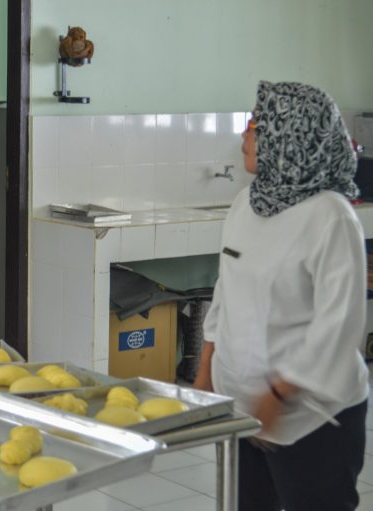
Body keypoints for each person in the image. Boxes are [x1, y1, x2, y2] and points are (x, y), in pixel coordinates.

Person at [194, 81, 369, 511]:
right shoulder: (246, 202)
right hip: (243, 409)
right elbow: (225, 290)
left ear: (291, 135)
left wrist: (278, 394)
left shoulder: (330, 216)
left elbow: (339, 325)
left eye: (256, 125)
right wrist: (205, 372)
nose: (244, 134)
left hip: (311, 417)